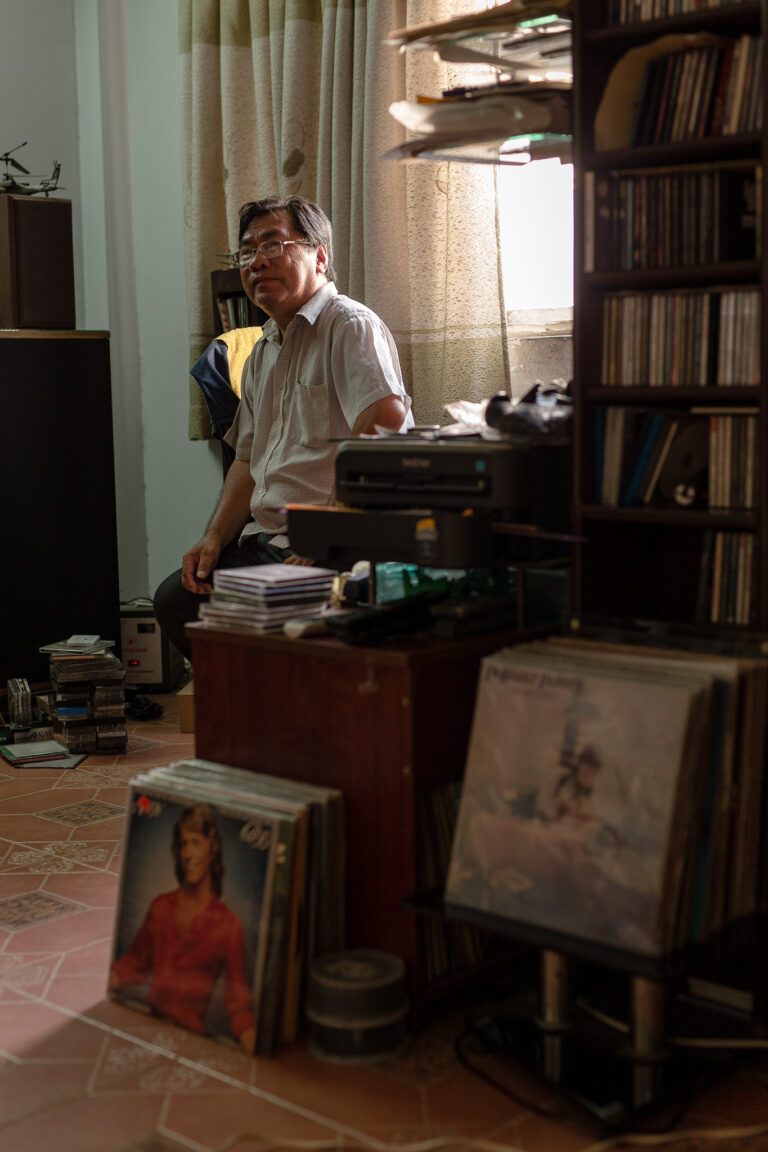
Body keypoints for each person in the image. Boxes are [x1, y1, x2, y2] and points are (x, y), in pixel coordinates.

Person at [154, 195, 413, 658]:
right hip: (271, 540)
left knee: (305, 622)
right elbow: (248, 460)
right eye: (247, 252)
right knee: (178, 600)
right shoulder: (261, 352)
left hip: (340, 540)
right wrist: (214, 535)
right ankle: (253, 718)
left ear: (320, 256)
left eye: (273, 245)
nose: (257, 262)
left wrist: (329, 526)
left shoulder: (348, 325)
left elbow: (386, 422)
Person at [109, 803, 257, 1054]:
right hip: (146, 1026)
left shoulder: (229, 926)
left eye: (196, 842)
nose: (187, 853)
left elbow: (238, 1006)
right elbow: (132, 966)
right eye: (183, 843)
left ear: (213, 850)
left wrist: (261, 1064)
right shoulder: (161, 907)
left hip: (191, 1042)